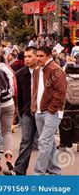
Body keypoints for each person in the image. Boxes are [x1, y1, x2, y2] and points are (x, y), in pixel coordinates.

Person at [31, 46, 67, 175]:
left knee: (44, 142)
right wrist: (34, 107)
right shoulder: (37, 70)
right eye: (37, 56)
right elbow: (35, 90)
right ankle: (55, 172)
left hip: (52, 112)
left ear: (48, 56)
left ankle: (38, 173)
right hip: (39, 111)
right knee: (49, 143)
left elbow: (61, 93)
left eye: (41, 56)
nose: (38, 58)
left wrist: (52, 109)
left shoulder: (55, 70)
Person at [4, 47, 37, 175]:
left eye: (30, 56)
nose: (27, 59)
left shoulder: (42, 72)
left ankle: (52, 171)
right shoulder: (21, 74)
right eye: (25, 57)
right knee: (26, 141)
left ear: (36, 56)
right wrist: (21, 113)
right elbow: (18, 96)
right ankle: (19, 170)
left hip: (43, 112)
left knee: (47, 143)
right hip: (27, 113)